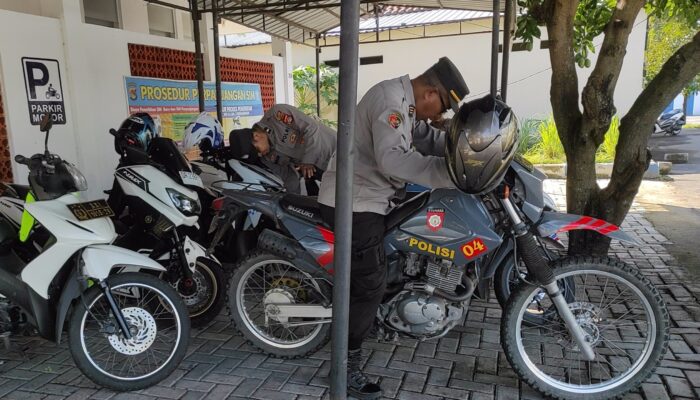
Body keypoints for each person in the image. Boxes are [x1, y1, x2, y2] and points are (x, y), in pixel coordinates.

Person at [317, 57, 469, 399]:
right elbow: (393, 159)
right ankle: (344, 366)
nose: (438, 116)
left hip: (373, 196)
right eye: (442, 107)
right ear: (430, 92)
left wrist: (467, 151)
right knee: (370, 284)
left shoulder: (405, 103)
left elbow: (425, 135)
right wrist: (449, 173)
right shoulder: (391, 101)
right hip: (354, 202)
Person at [252, 104, 336, 195]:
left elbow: (312, 128)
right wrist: (292, 201)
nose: (260, 154)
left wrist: (308, 161)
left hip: (336, 151)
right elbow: (289, 175)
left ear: (256, 136)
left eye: (257, 149)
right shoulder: (267, 155)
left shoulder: (276, 115)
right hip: (324, 172)